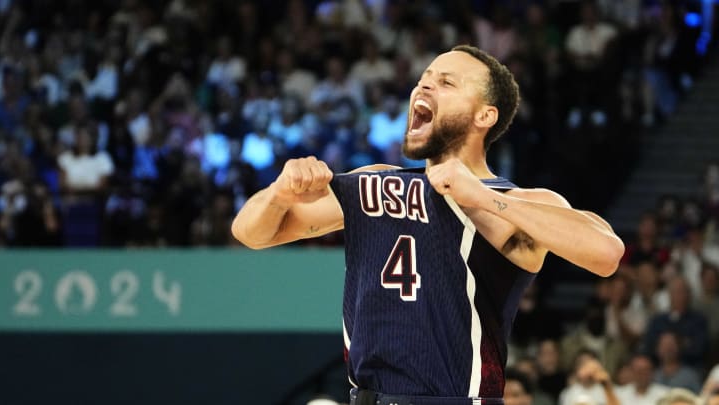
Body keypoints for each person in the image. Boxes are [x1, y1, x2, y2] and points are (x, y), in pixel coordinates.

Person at [232, 45, 624, 404]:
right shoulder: (378, 182)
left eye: (446, 82)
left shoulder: (509, 202)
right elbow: (250, 233)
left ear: (485, 115)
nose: (424, 87)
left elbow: (606, 253)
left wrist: (481, 196)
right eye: (423, 80)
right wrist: (279, 193)